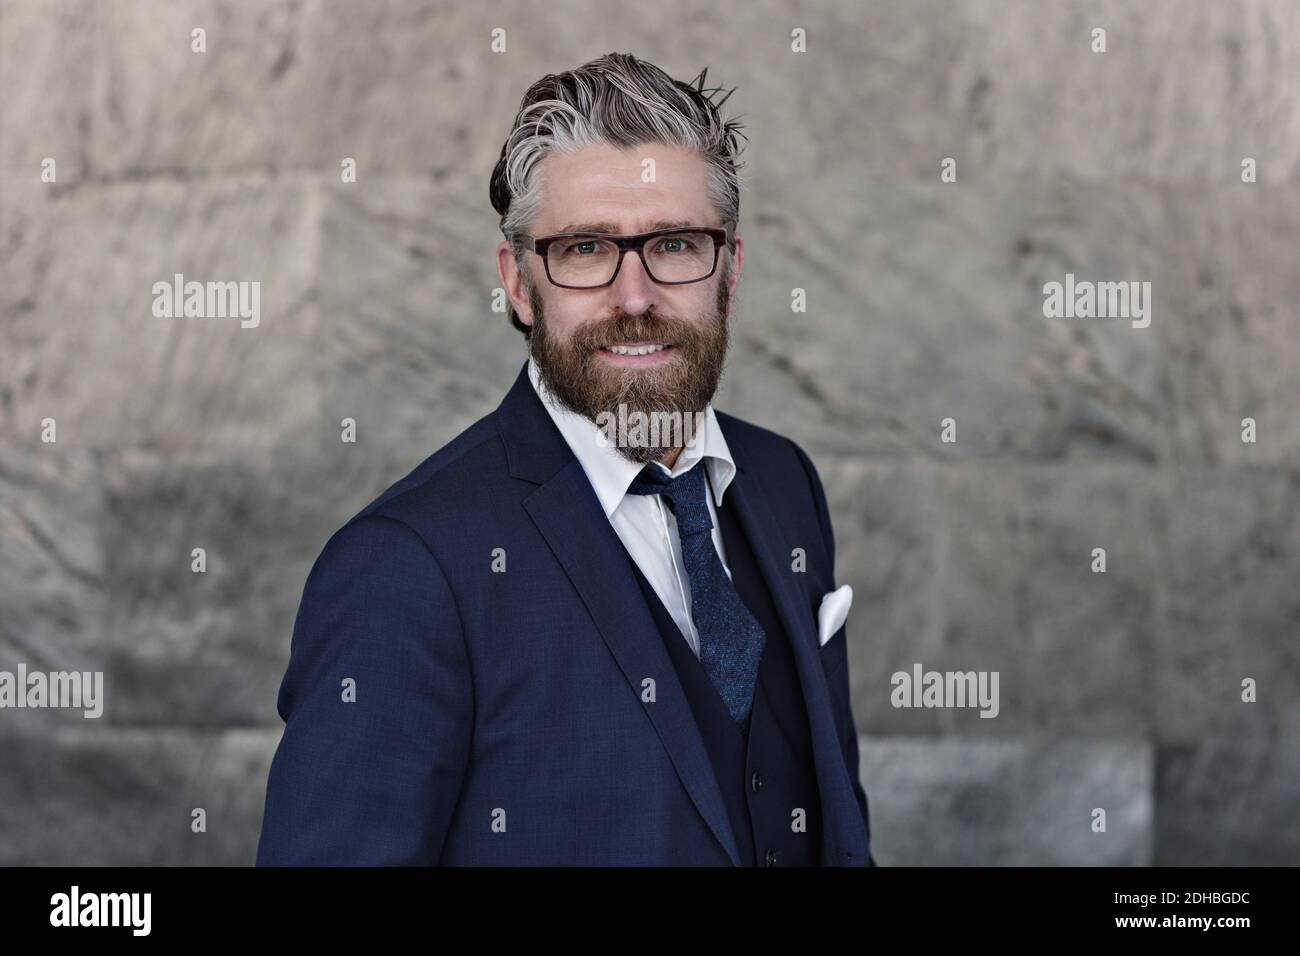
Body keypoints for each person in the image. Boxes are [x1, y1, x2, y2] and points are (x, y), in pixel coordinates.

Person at [256, 52, 874, 866]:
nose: (635, 296)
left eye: (677, 244)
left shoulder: (785, 483)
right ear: (518, 283)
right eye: (585, 250)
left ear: (730, 271)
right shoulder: (403, 570)